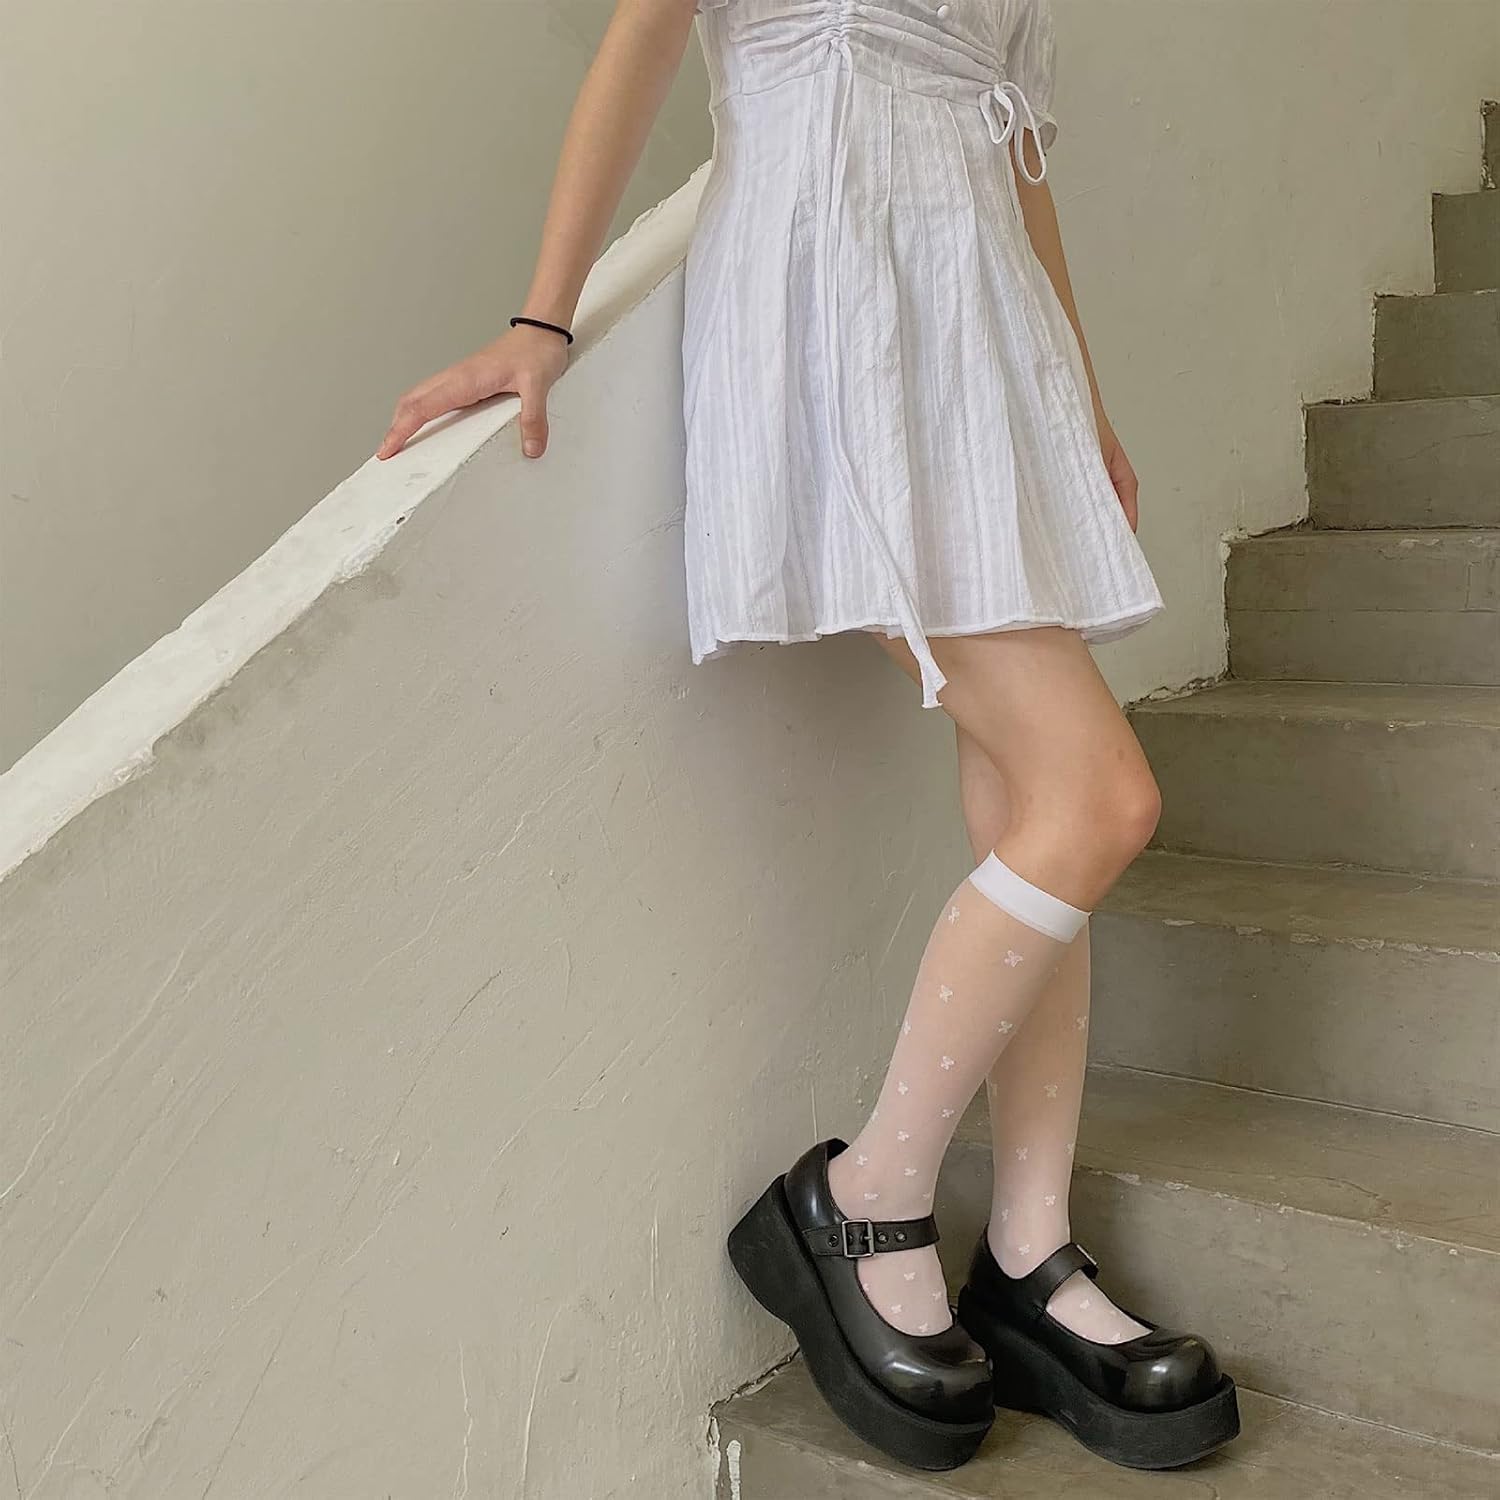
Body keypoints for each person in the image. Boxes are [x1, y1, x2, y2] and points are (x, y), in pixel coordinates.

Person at [376, 0, 1239, 1476]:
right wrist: (539, 321)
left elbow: (1017, 153)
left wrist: (1079, 403)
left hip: (987, 342)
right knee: (1099, 798)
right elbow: (645, 38)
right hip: (843, 304)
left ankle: (1029, 1252)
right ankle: (867, 1192)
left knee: (1029, 802)